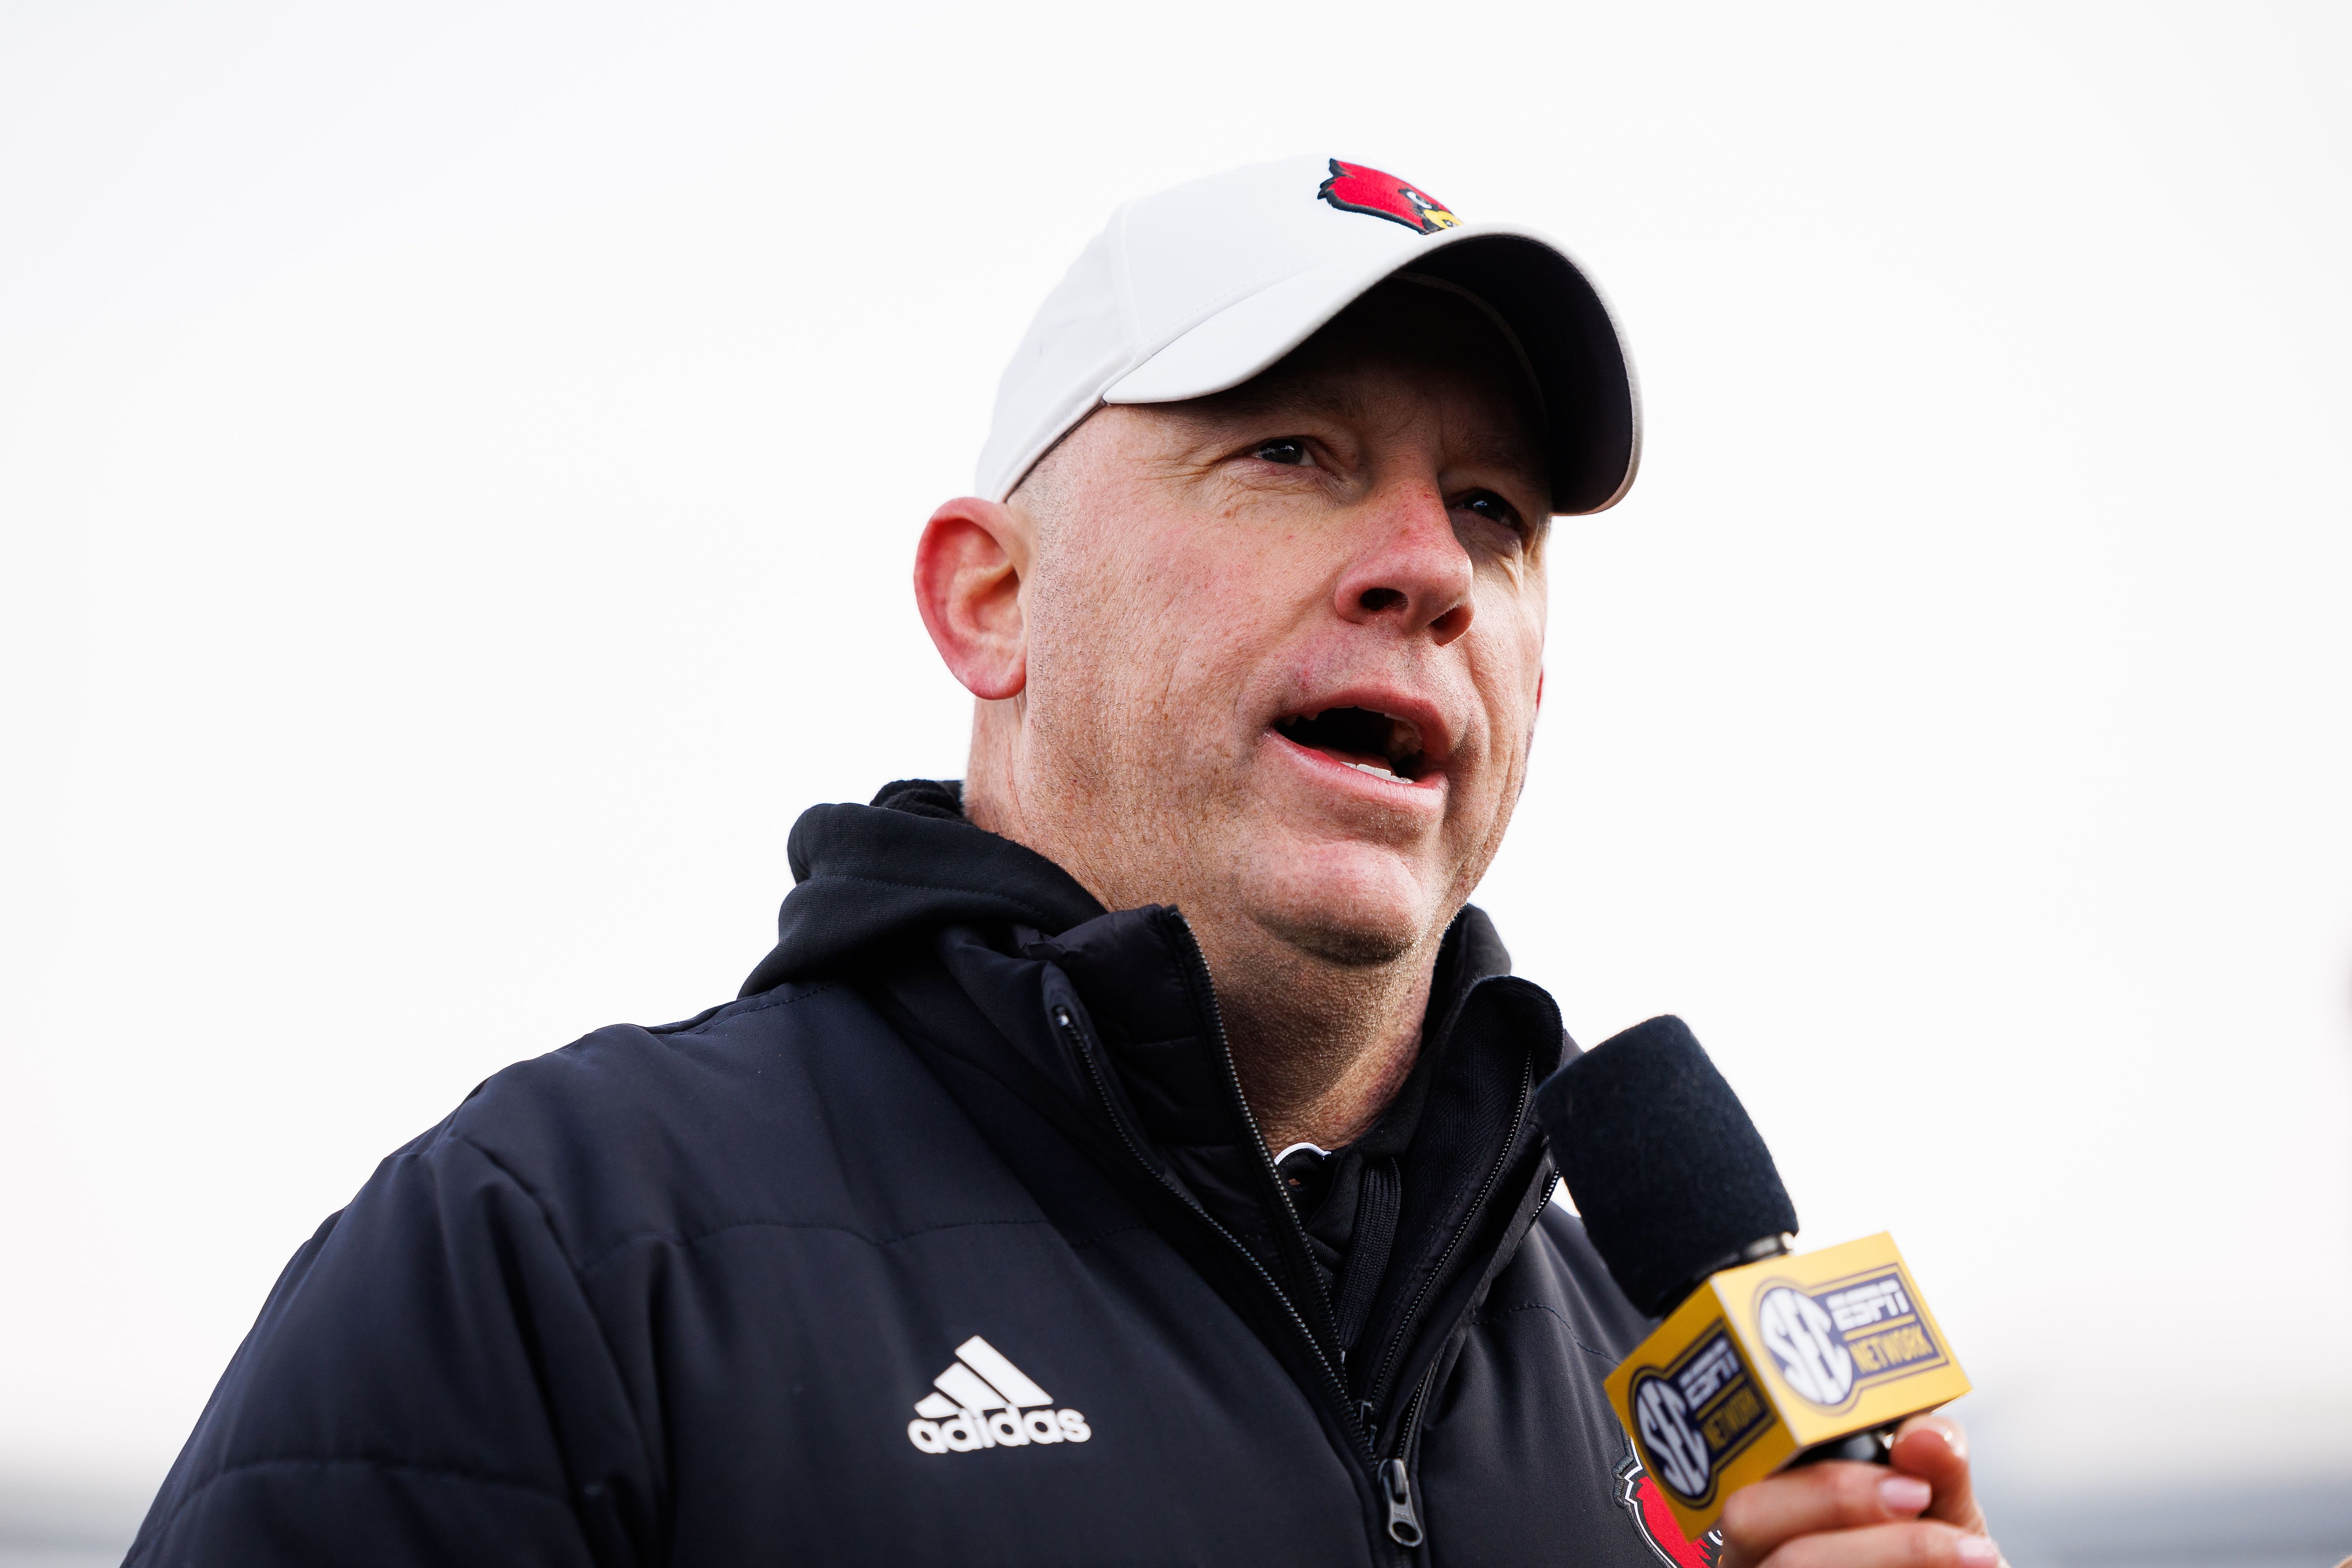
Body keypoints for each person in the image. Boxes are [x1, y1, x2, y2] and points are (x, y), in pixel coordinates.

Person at [128, 156, 1999, 1568]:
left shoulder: (1654, 1390)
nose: (1426, 565)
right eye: (1289, 451)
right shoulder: (556, 1256)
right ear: (990, 598)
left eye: (1494, 513)